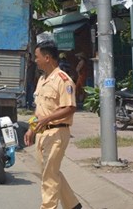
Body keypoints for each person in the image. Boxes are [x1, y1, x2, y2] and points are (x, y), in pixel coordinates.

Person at [24, 41, 82, 209]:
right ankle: (73, 205)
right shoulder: (42, 80)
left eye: (37, 57)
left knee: (49, 176)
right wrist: (31, 129)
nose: (35, 60)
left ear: (47, 58)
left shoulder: (63, 80)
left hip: (57, 133)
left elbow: (70, 107)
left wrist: (48, 119)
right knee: (50, 172)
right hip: (42, 133)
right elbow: (39, 110)